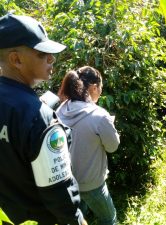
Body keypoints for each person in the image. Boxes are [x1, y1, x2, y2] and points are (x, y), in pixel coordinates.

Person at [0, 14, 86, 224]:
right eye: (42, 53)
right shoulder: (40, 118)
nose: (51, 59)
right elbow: (61, 197)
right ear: (16, 59)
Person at [56, 66, 120, 225]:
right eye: (101, 88)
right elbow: (113, 146)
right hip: (93, 185)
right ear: (93, 87)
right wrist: (110, 128)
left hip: (68, 183)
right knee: (109, 219)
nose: (101, 92)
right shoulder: (99, 116)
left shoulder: (61, 109)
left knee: (79, 217)